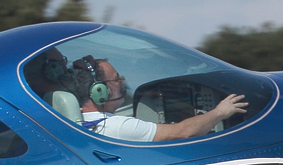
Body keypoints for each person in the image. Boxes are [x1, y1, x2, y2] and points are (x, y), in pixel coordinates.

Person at [71, 56, 247, 142]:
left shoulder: (78, 121)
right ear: (99, 91)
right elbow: (183, 132)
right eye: (116, 79)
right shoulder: (115, 126)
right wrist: (219, 112)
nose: (122, 82)